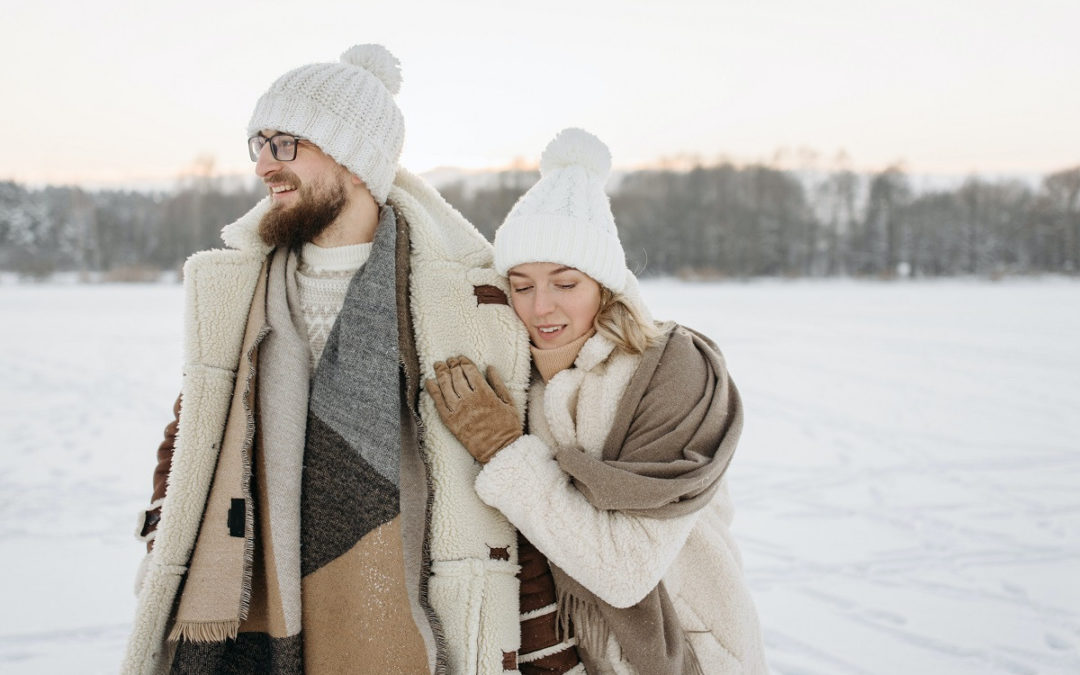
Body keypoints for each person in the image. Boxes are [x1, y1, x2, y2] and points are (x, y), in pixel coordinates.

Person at [123, 45, 535, 674]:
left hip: (418, 619)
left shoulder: (463, 296)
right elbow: (191, 429)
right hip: (246, 610)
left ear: (355, 158)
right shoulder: (241, 288)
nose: (263, 165)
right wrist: (164, 534)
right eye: (257, 144)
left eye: (285, 143)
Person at [425, 128, 768, 674]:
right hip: (567, 654)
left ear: (605, 285)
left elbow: (625, 569)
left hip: (684, 650)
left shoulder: (675, 371)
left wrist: (503, 448)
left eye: (565, 283)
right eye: (521, 285)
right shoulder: (517, 373)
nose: (541, 308)